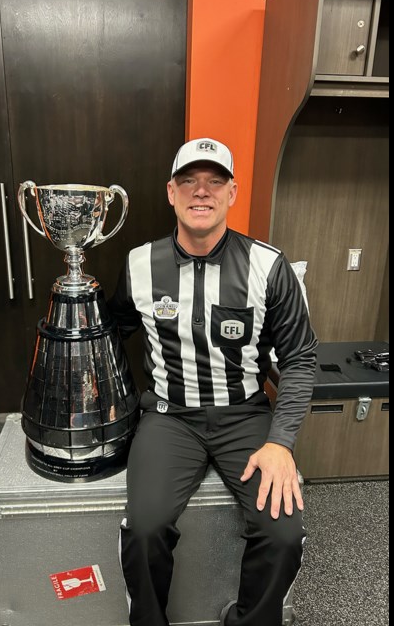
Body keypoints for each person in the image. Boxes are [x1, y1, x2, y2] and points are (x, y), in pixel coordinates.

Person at [109, 137, 318, 626]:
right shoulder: (140, 264)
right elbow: (114, 330)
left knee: (284, 534)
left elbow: (301, 358)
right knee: (144, 530)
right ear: (171, 192)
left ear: (232, 192)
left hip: (244, 416)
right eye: (189, 181)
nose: (200, 192)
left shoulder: (268, 266)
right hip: (168, 419)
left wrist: (281, 443)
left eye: (214, 181)